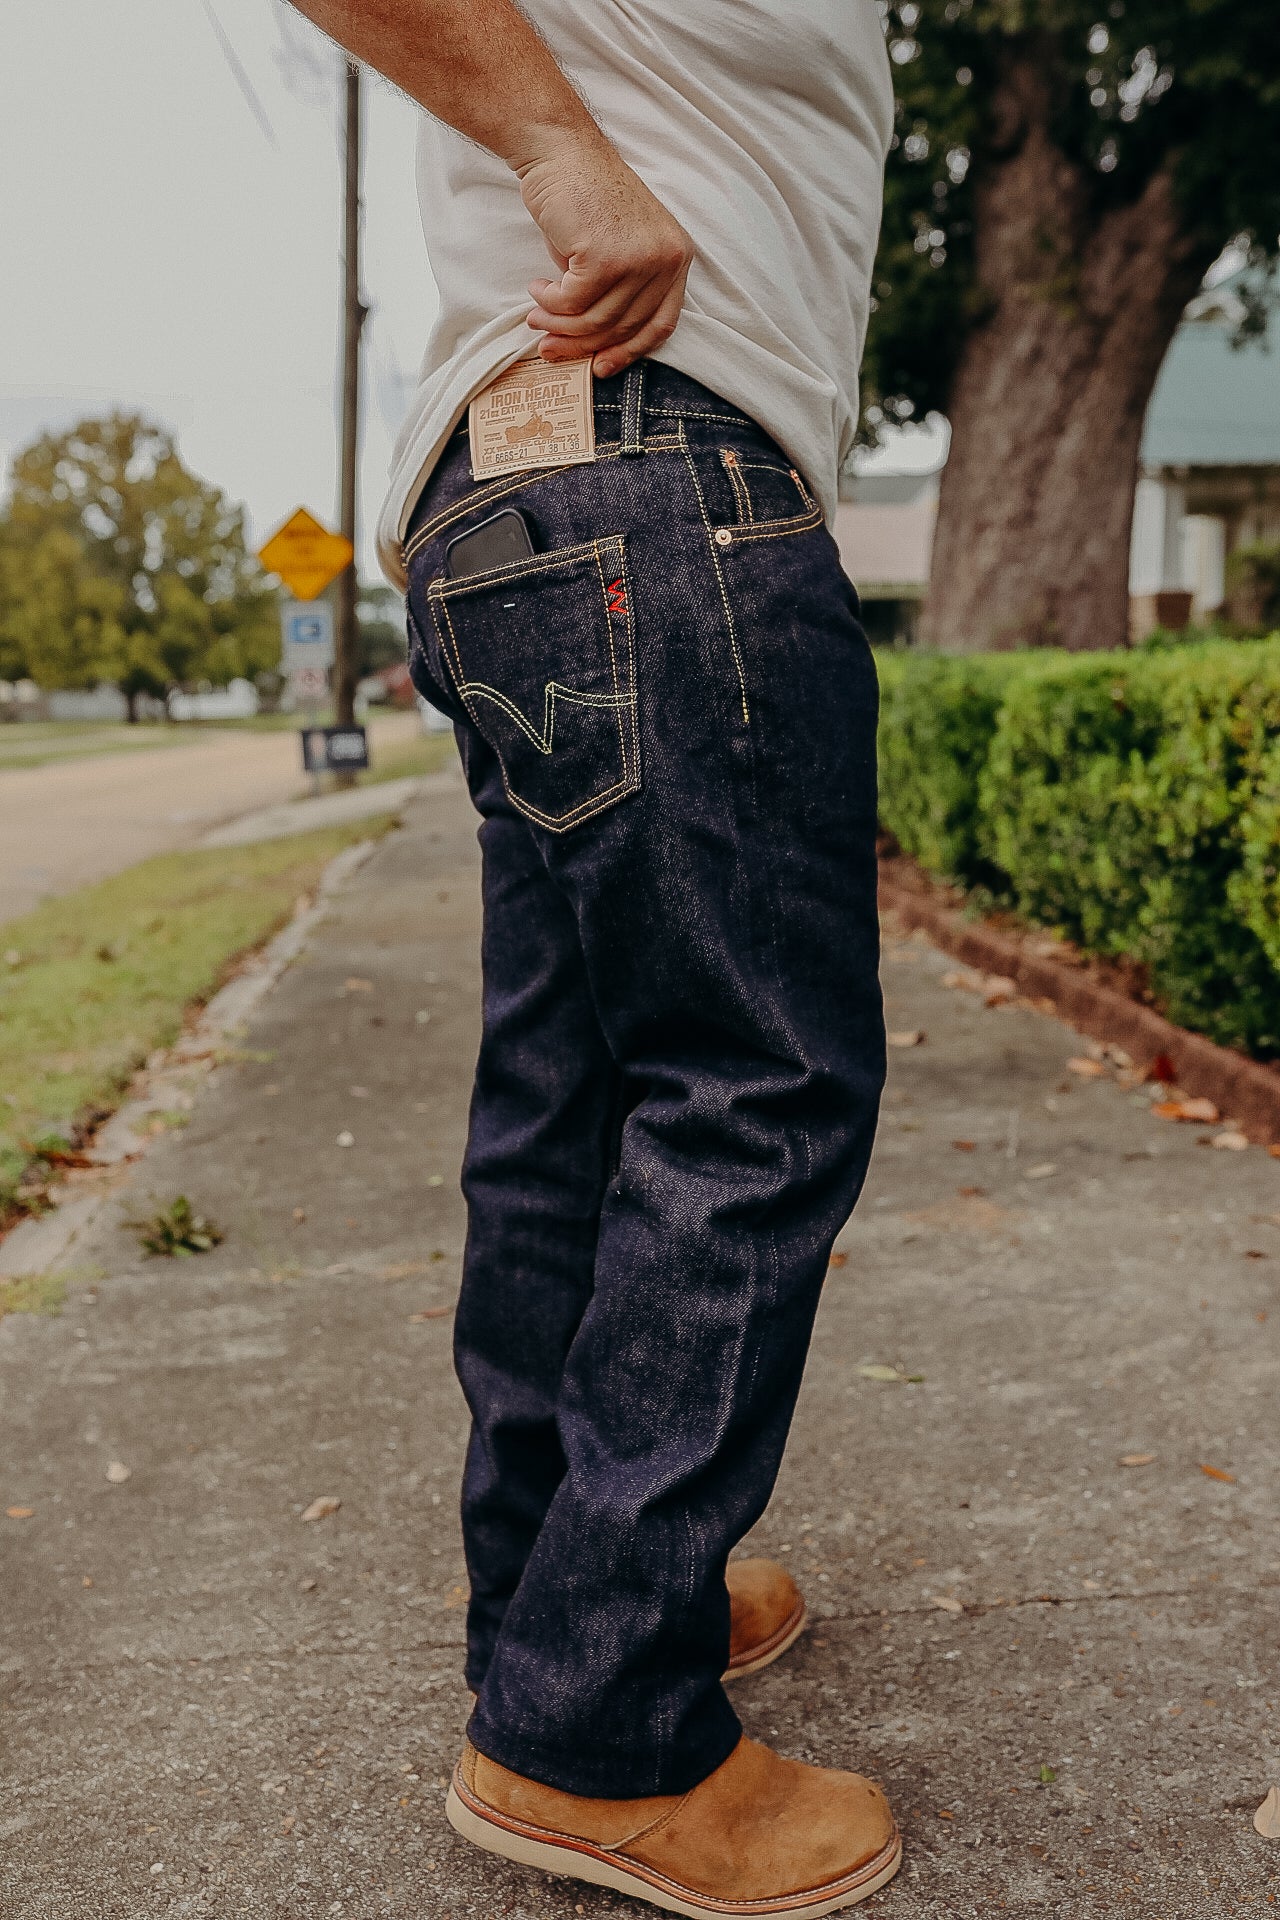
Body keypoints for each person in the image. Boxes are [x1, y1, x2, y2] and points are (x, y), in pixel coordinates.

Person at [289, 4, 897, 1912]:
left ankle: (563, 1613)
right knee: (756, 1087)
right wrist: (562, 150)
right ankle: (598, 1734)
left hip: (548, 492)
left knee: (576, 1099)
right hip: (663, 464)